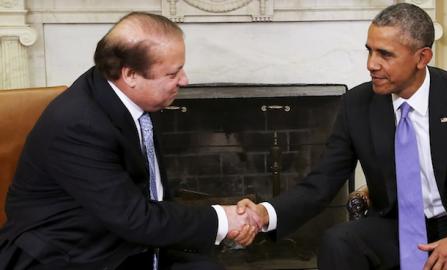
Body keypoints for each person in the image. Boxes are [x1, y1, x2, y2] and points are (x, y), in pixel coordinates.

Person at [0, 12, 259, 270]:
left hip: (122, 237)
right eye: (172, 73)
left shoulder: (130, 97)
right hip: (69, 253)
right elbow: (136, 219)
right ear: (131, 75)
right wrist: (223, 220)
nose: (184, 80)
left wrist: (224, 225)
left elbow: (151, 196)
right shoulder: (79, 125)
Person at [237, 3, 447, 269]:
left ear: (422, 58)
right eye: (370, 51)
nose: (371, 64)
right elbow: (322, 181)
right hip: (397, 227)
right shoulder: (357, 104)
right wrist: (264, 213)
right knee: (339, 241)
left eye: (385, 54)